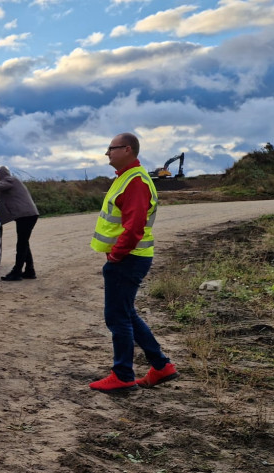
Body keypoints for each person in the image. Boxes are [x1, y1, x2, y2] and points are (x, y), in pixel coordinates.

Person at [88, 132, 177, 392]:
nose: (107, 153)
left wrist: (116, 255)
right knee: (126, 313)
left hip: (128, 258)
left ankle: (123, 375)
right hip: (129, 257)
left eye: (111, 148)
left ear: (127, 149)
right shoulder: (126, 178)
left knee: (117, 317)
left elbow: (134, 226)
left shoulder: (135, 181)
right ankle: (161, 366)